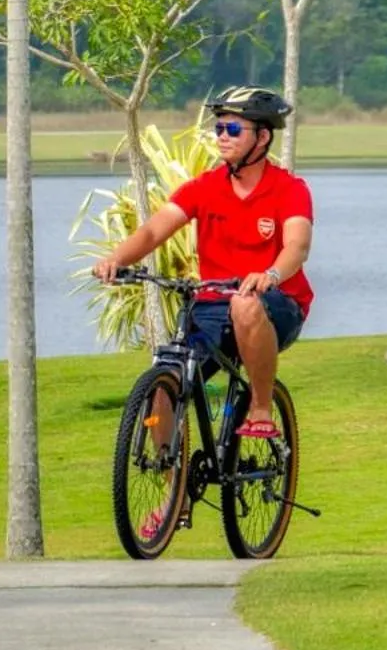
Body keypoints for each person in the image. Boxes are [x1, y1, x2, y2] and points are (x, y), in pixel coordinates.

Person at [94, 86, 314, 441]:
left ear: (262, 137)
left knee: (246, 304)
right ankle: (173, 493)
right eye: (219, 129)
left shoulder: (289, 189)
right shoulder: (204, 187)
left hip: (277, 306)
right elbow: (152, 232)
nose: (221, 137)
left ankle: (260, 407)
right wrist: (115, 259)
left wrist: (270, 274)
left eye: (232, 130)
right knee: (164, 383)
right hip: (213, 307)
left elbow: (297, 247)